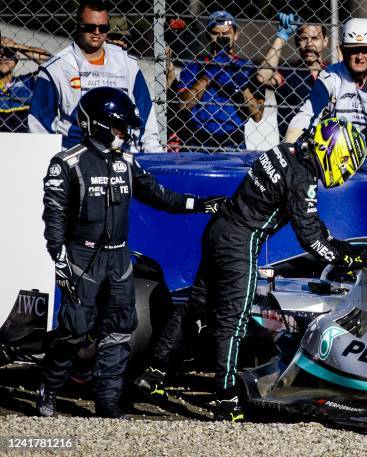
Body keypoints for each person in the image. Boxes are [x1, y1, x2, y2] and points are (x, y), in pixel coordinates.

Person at [135, 117, 367, 421]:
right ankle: (226, 399)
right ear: (334, 150)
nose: (347, 171)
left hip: (219, 230)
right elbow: (310, 238)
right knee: (233, 321)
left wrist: (336, 244)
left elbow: (308, 219)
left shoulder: (286, 151)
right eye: (348, 162)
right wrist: (343, 258)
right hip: (240, 243)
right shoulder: (303, 177)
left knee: (195, 308)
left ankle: (152, 375)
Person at [37, 87, 227, 419]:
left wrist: (200, 204)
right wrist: (60, 258)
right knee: (74, 330)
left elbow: (159, 196)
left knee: (120, 329)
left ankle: (108, 400)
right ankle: (49, 388)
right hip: (81, 258)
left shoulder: (127, 162)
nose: (125, 134)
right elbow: (53, 217)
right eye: (119, 126)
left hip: (119, 258)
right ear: (97, 124)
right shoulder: (66, 164)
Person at [28, 0, 163, 152]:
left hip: (121, 154)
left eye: (103, 27)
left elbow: (146, 117)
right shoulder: (55, 68)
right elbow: (39, 126)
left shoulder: (127, 64)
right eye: (90, 27)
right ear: (77, 26)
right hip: (76, 156)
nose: (97, 32)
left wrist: (152, 156)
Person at [286, 18, 367, 160]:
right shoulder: (330, 76)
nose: (360, 57)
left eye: (365, 49)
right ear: (342, 50)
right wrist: (290, 144)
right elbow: (308, 112)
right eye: (353, 50)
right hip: (334, 157)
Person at [171, 10, 262, 151]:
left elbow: (257, 116)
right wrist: (208, 75)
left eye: (226, 33)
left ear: (236, 35)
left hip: (233, 141)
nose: (221, 37)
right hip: (197, 140)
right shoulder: (195, 65)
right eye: (215, 33)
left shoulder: (245, 68)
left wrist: (242, 87)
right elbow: (182, 105)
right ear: (208, 35)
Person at [255, 13, 329, 139]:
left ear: (325, 41)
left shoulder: (332, 73)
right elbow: (263, 77)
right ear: (296, 41)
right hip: (292, 146)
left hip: (325, 145)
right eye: (304, 38)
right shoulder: (289, 72)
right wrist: (281, 37)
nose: (309, 43)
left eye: (315, 38)